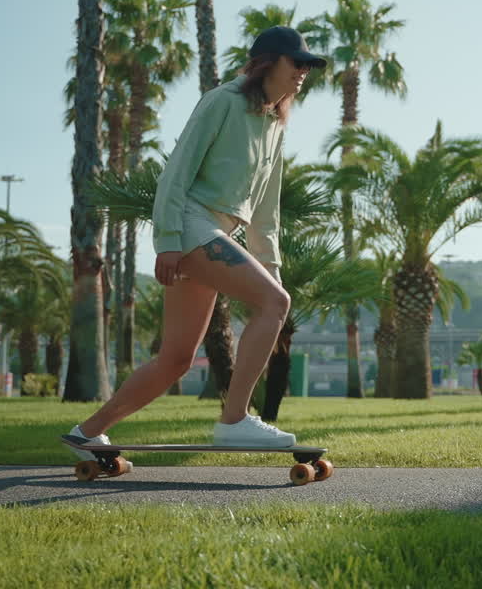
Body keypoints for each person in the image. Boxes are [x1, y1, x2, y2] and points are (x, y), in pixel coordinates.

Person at [65, 26, 326, 458]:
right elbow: (176, 173)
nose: (304, 71)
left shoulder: (274, 124)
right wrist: (168, 241)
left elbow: (266, 209)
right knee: (275, 304)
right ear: (268, 63)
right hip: (191, 224)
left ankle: (87, 433)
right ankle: (234, 420)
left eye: (308, 66)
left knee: (176, 359)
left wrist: (270, 269)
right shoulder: (223, 101)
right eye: (297, 62)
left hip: (216, 233)